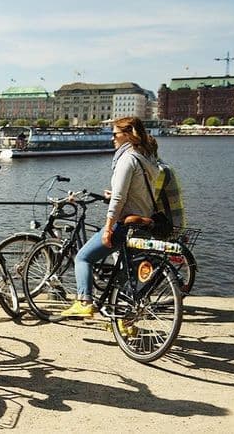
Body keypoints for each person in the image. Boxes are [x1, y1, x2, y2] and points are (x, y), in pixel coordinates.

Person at [61, 116, 159, 317]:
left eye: (115, 134)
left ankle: (84, 301)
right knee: (128, 273)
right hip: (143, 223)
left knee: (83, 258)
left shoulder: (127, 159)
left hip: (125, 223)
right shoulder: (147, 158)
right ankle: (124, 320)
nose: (112, 138)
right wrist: (114, 194)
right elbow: (139, 192)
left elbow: (119, 200)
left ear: (127, 135)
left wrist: (108, 228)